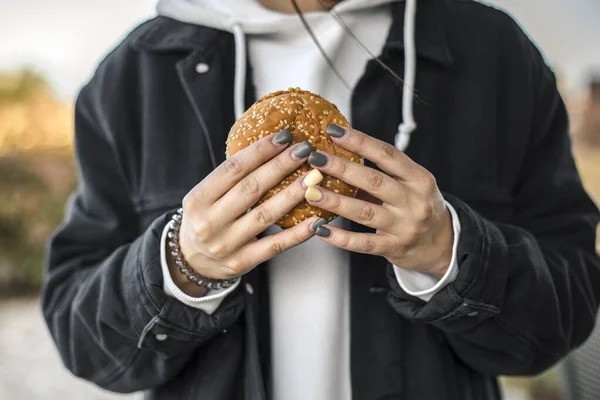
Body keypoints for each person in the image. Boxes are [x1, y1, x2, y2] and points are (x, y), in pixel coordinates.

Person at [41, 0, 600, 399]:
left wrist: (450, 253)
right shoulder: (135, 73)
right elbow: (83, 340)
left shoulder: (492, 53)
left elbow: (567, 312)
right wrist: (178, 268)